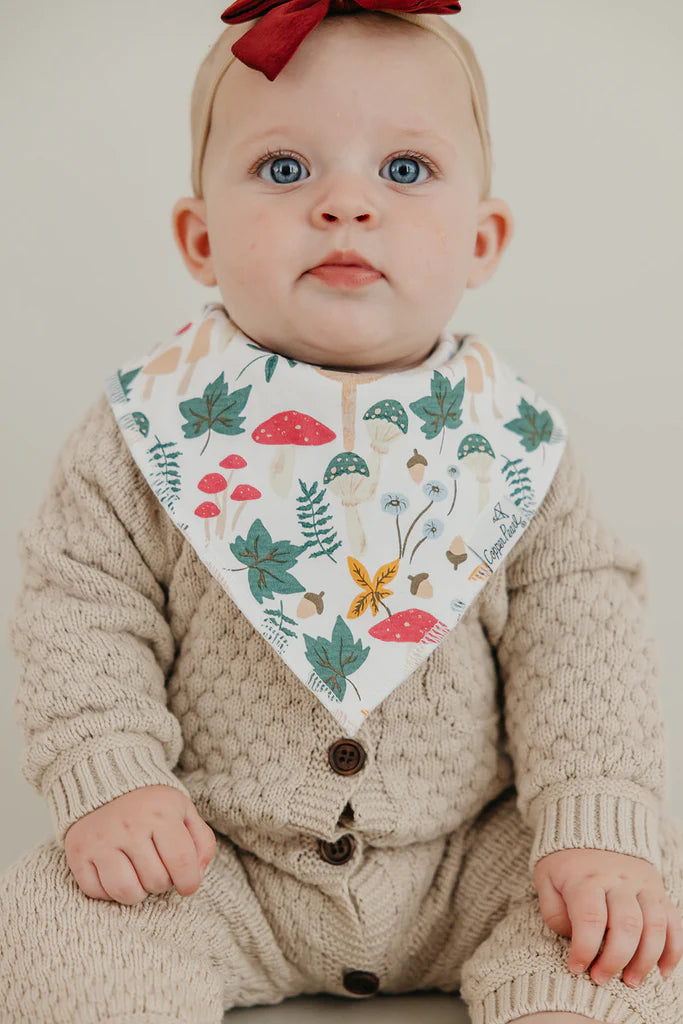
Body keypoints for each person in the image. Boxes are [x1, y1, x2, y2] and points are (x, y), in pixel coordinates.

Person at [1, 5, 681, 1023]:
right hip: (214, 857)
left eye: (404, 171)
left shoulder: (512, 440)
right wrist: (112, 773)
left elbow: (578, 634)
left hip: (470, 856)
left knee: (624, 930)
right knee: (52, 917)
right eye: (285, 171)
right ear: (199, 235)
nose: (345, 204)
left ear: (481, 237)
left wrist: (595, 818)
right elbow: (79, 604)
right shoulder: (147, 425)